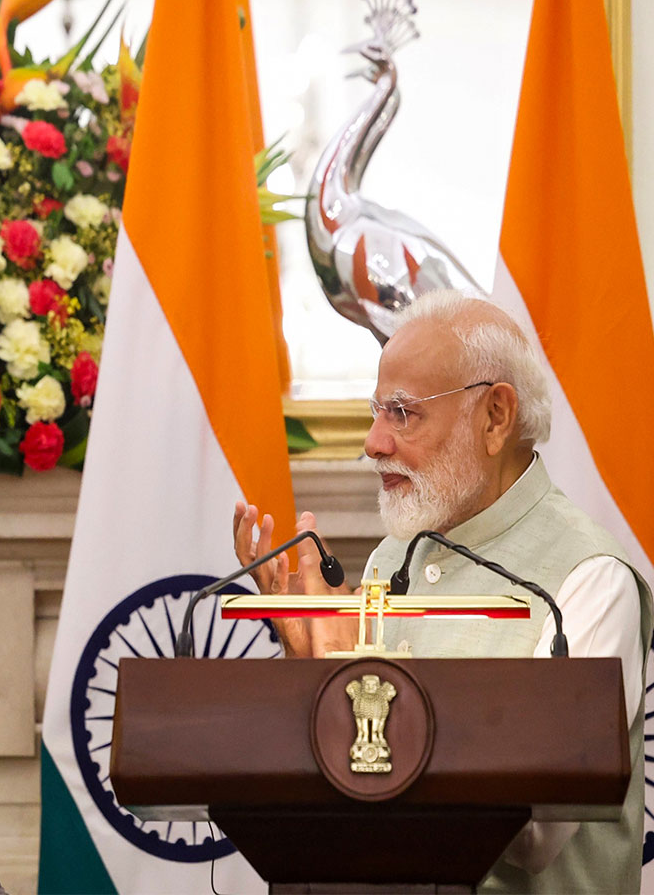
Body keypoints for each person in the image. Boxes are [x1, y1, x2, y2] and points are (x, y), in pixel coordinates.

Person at [232, 289, 650, 893]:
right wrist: (314, 672)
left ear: (496, 417)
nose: (374, 443)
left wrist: (362, 682)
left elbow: (535, 832)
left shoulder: (589, 577)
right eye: (375, 413)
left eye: (402, 412)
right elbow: (352, 779)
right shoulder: (391, 558)